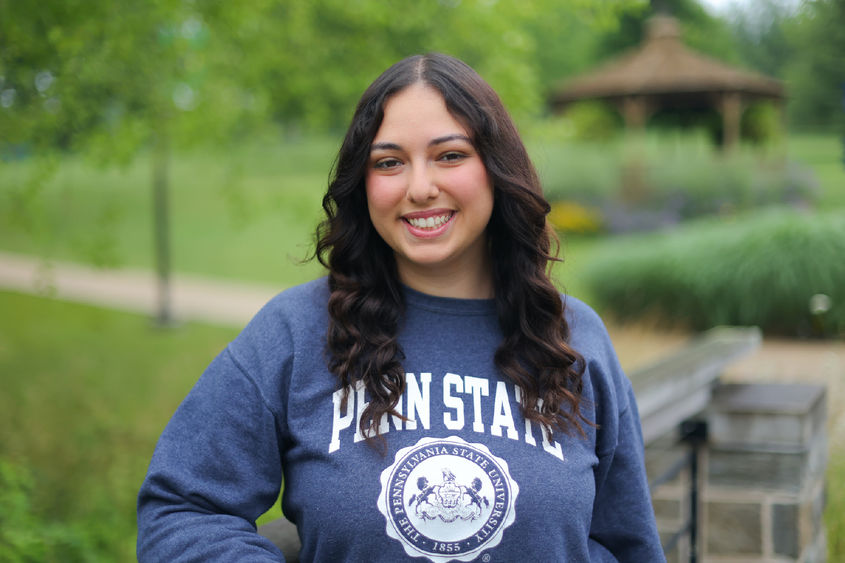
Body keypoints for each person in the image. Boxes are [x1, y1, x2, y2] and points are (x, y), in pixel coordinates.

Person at [137, 53, 665, 562]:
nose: (419, 188)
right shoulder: (295, 333)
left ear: (497, 170)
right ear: (362, 184)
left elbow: (626, 543)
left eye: (450, 155)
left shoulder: (573, 339)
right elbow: (183, 509)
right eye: (389, 163)